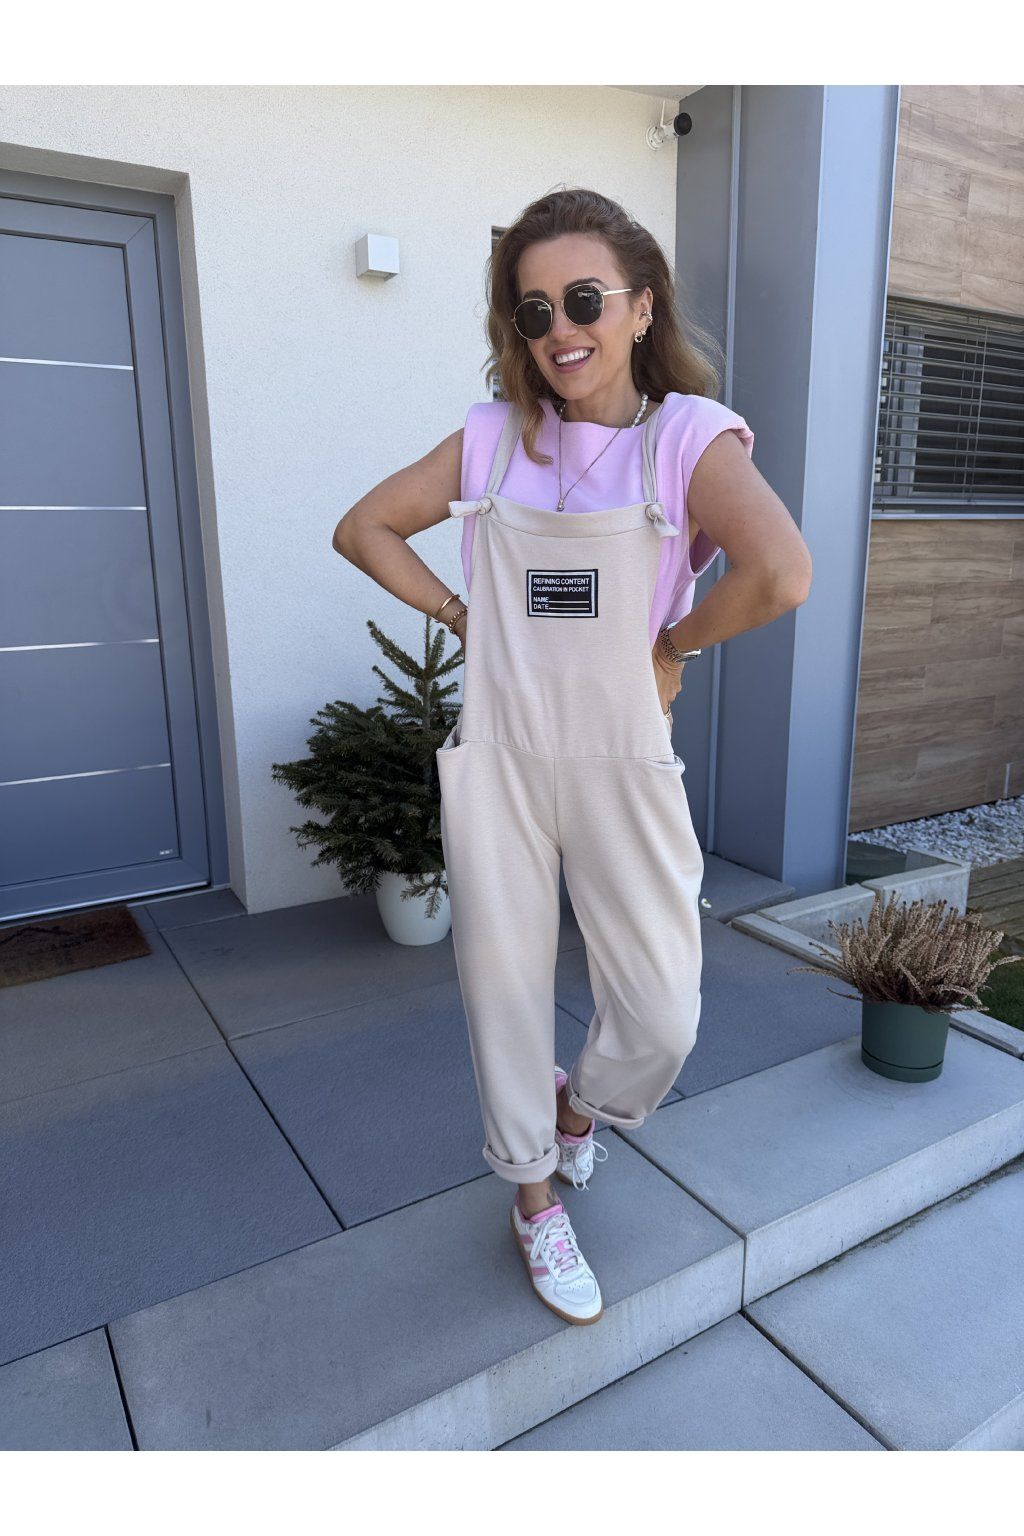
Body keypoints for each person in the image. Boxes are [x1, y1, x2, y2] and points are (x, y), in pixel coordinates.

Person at [334, 188, 812, 1327]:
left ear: (641, 307)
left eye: (585, 299)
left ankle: (577, 1110)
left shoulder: (687, 439)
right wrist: (464, 617)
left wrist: (671, 644)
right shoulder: (491, 437)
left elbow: (780, 572)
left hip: (620, 757)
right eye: (534, 308)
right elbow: (363, 529)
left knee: (660, 1013)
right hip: (500, 753)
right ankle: (533, 1196)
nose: (561, 328)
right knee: (499, 990)